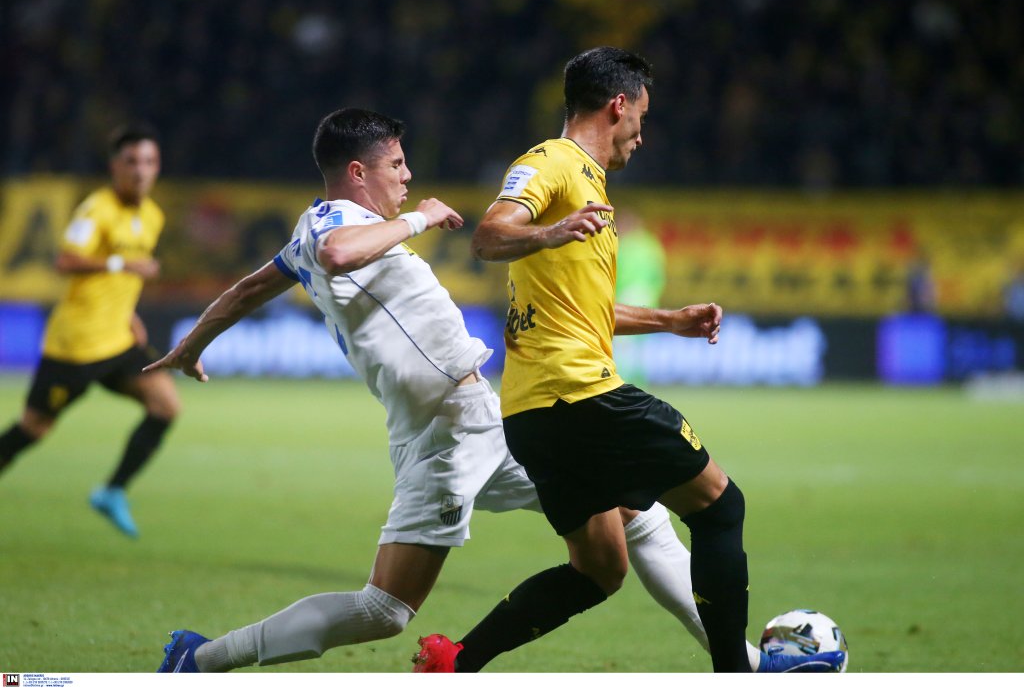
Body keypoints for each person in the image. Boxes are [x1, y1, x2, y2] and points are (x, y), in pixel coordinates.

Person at [151, 107, 726, 673]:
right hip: (446, 435)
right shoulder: (332, 224)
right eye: (396, 165)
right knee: (385, 609)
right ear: (358, 172)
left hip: (486, 417)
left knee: (635, 511)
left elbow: (247, 290)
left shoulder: (326, 233)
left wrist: (191, 346)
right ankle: (199, 658)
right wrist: (418, 219)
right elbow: (336, 252)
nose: (407, 176)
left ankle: (741, 663)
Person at [412, 47, 846, 673]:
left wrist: (669, 321)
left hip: (535, 414)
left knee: (599, 570)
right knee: (721, 505)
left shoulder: (589, 183)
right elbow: (488, 235)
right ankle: (737, 673)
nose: (642, 134)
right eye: (642, 116)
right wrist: (550, 231)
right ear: (619, 105)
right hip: (581, 396)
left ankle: (455, 662)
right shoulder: (553, 162)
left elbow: (584, 310)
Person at [0, 124, 179, 538]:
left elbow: (125, 283)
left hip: (117, 340)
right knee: (34, 427)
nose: (140, 171)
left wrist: (129, 314)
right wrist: (121, 263)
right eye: (131, 162)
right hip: (76, 347)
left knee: (166, 405)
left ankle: (112, 491)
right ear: (115, 166)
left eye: (149, 162)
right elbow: (65, 261)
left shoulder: (152, 216)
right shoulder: (95, 209)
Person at [612, 209, 667, 385]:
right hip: (647, 298)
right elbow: (658, 275)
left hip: (628, 297)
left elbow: (616, 274)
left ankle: (623, 384)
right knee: (638, 346)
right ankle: (639, 383)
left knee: (623, 345)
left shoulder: (623, 245)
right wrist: (654, 295)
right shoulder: (651, 244)